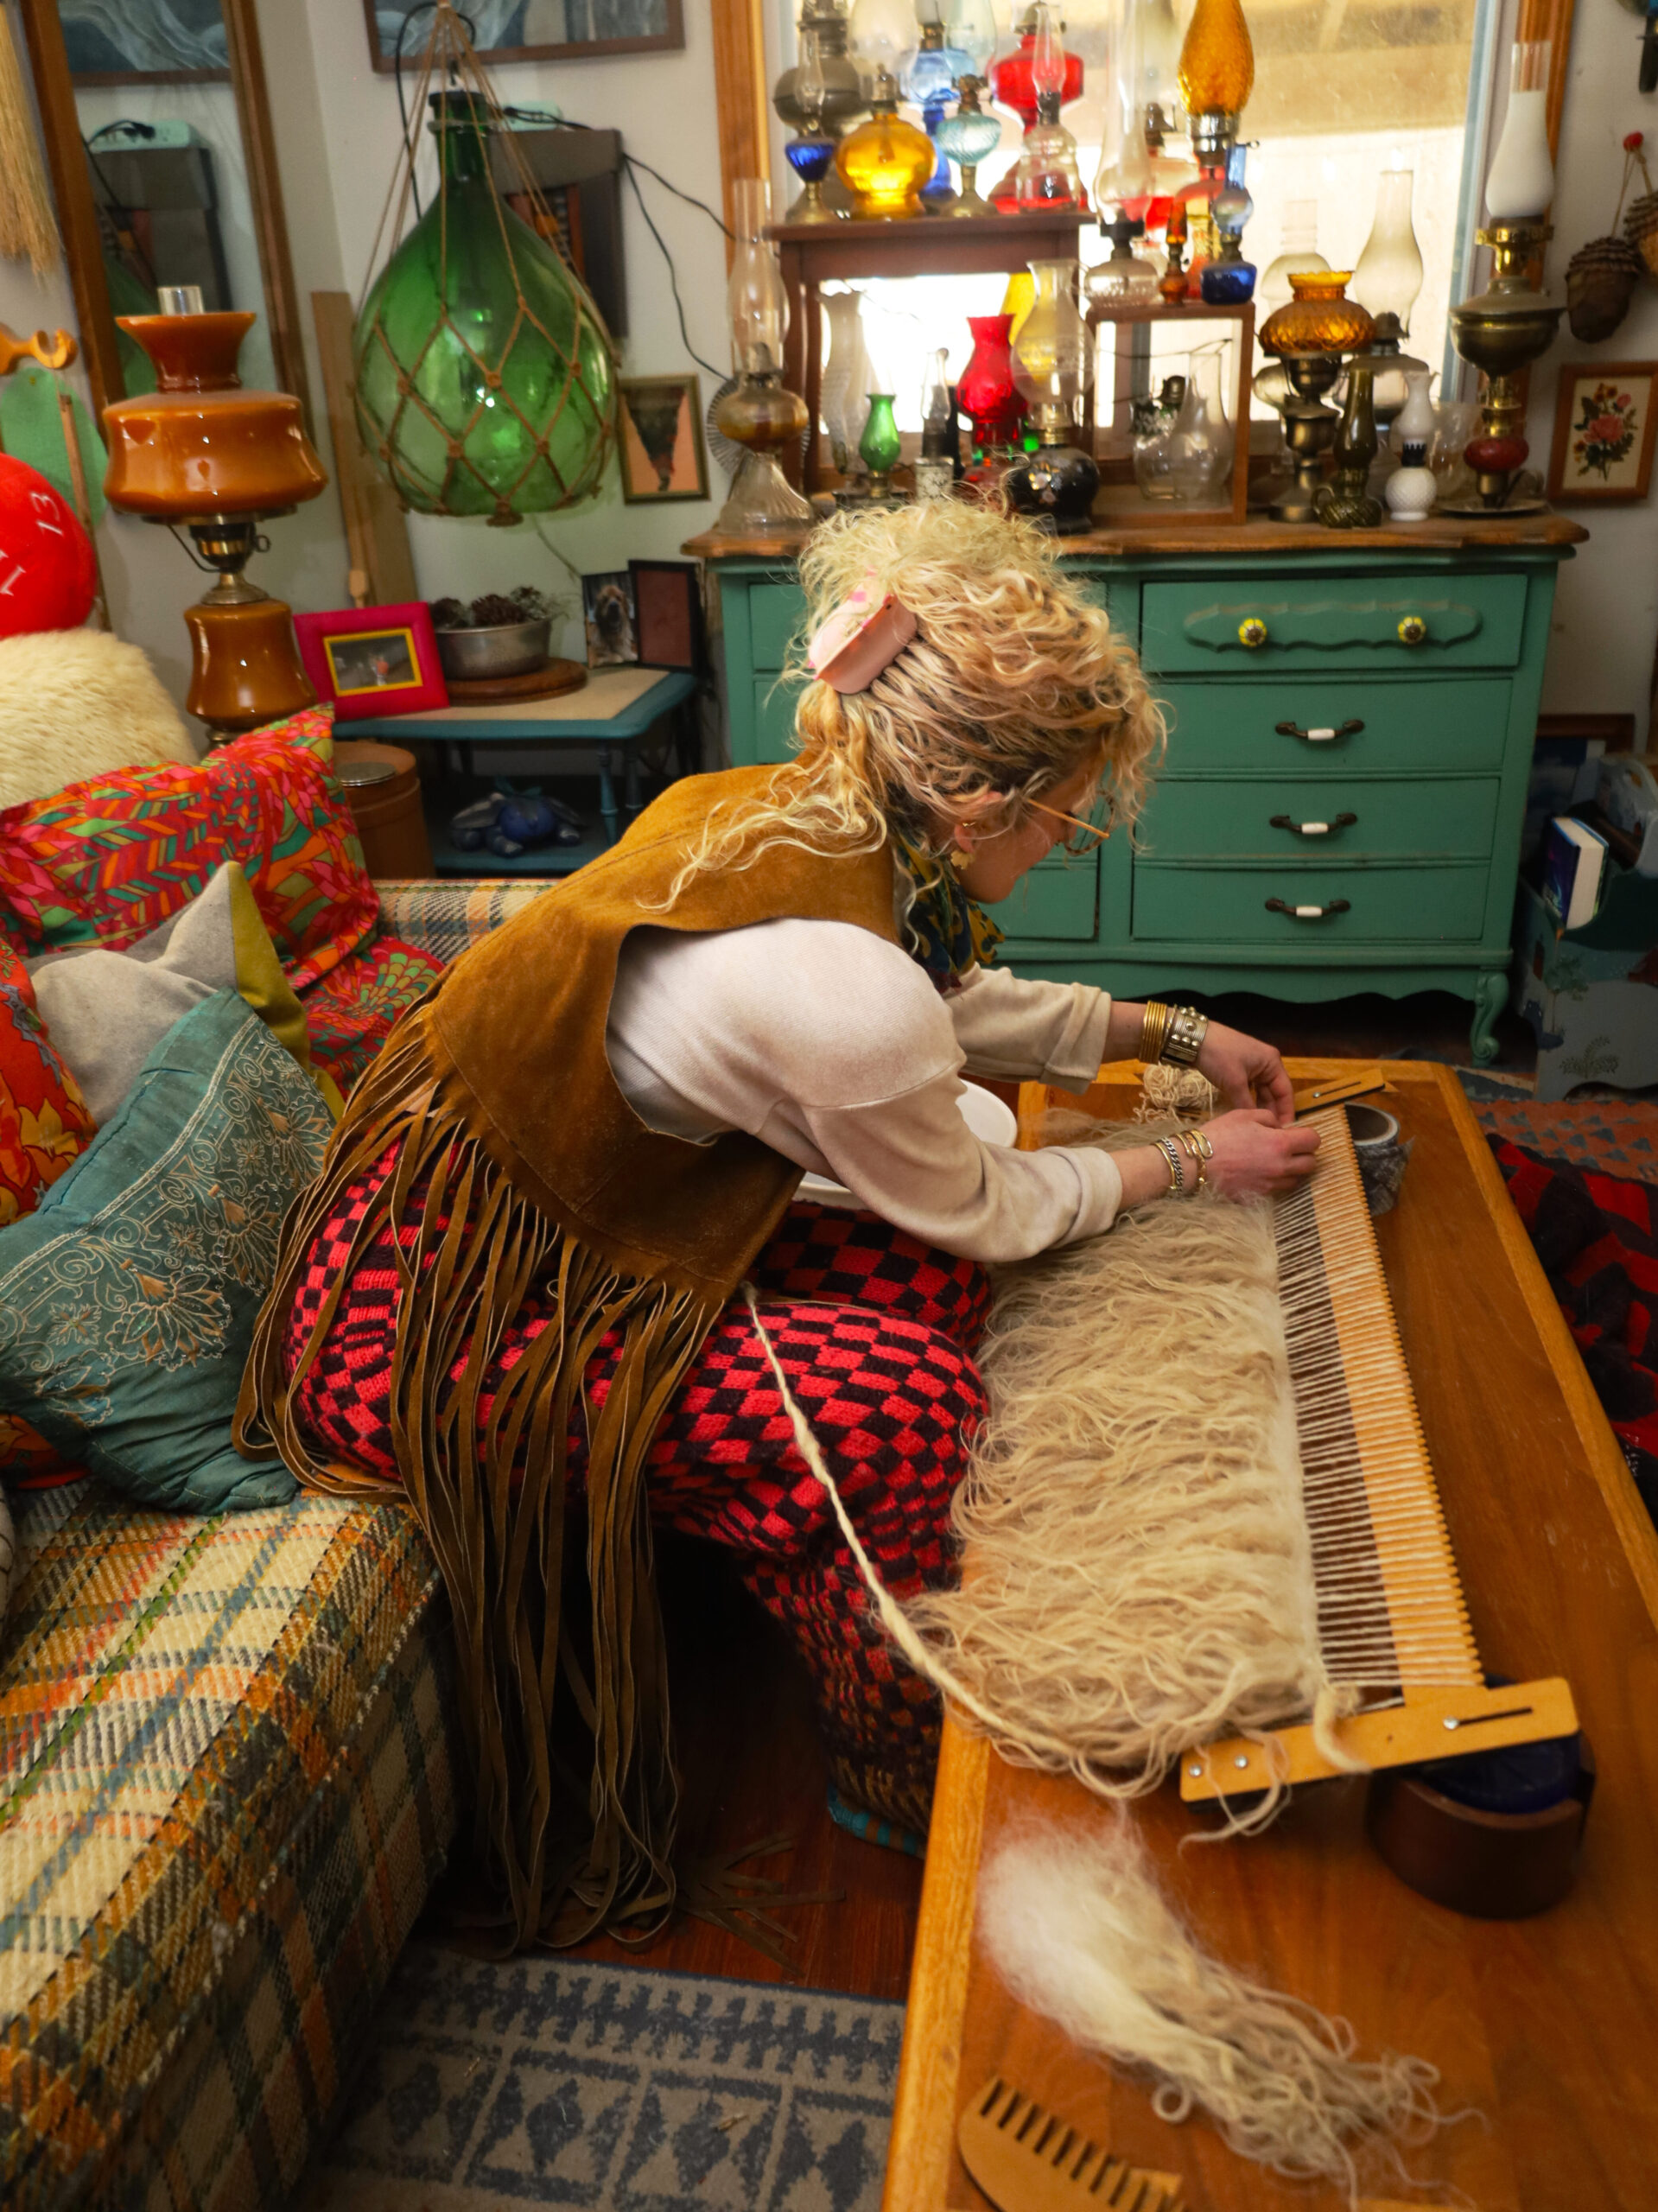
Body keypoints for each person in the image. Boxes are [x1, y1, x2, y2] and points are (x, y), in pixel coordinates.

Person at [236, 502, 1318, 1948]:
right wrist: (1191, 1166)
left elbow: (930, 995)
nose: (1068, 840)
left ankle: (830, 1592)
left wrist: (1171, 1032)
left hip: (531, 1218)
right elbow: (983, 1199)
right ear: (985, 799)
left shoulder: (795, 809)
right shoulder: (844, 979)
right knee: (902, 1403)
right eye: (1067, 807)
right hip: (415, 1319)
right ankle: (889, 1769)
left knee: (906, 1274)